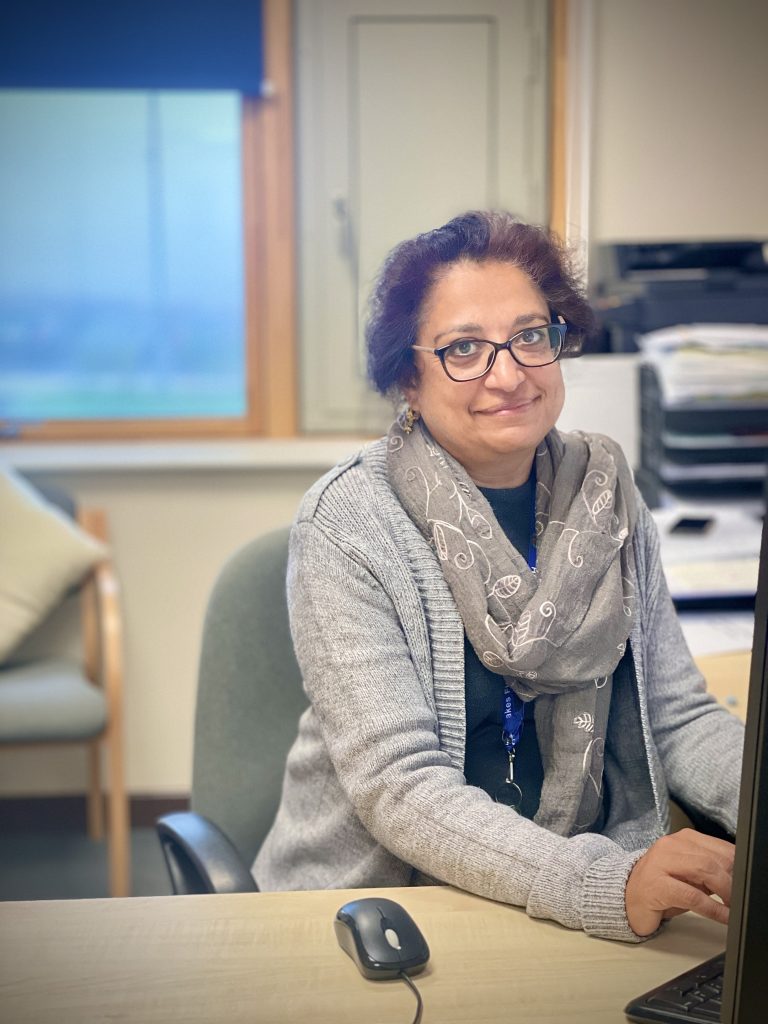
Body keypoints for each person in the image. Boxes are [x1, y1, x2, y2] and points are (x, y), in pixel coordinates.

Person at [254, 210, 743, 941]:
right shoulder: (350, 521)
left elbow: (676, 717)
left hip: (568, 888)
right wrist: (605, 883)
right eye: (464, 349)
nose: (508, 374)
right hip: (385, 909)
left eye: (530, 336)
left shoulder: (607, 493)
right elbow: (400, 785)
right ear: (408, 378)